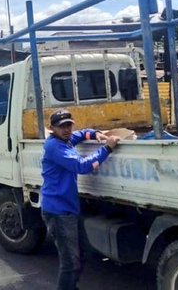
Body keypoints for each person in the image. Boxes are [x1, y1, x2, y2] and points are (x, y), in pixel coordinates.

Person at [41, 109, 120, 290]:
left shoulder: (65, 139)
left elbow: (81, 134)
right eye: (62, 127)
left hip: (68, 209)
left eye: (69, 125)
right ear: (52, 128)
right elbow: (82, 166)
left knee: (82, 254)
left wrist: (96, 134)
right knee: (70, 263)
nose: (67, 129)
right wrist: (107, 147)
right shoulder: (55, 147)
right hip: (58, 212)